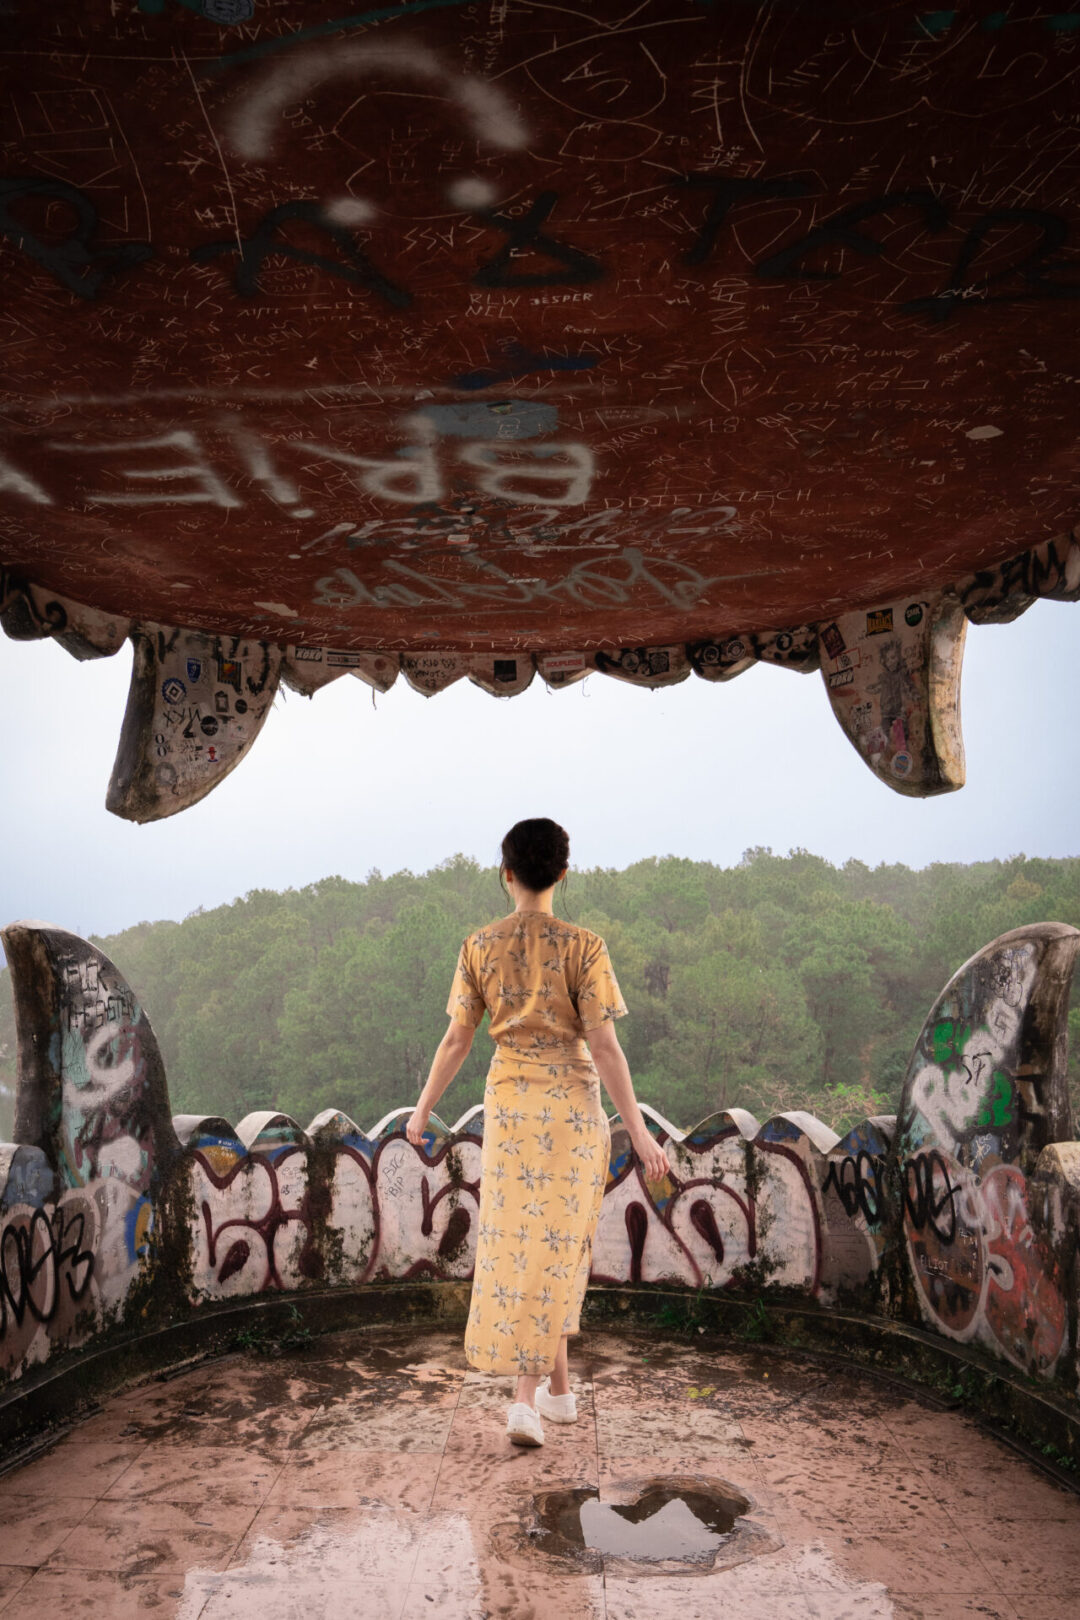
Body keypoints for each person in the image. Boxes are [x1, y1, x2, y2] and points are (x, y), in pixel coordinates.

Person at [405, 817, 668, 1448]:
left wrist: (419, 1112)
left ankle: (555, 1393)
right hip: (574, 1112)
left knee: (527, 1246)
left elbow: (457, 1039)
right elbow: (605, 1049)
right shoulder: (586, 947)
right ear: (563, 873)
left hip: (512, 1108)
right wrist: (637, 1131)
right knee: (556, 1246)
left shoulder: (479, 946)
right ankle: (531, 1399)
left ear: (507, 872)